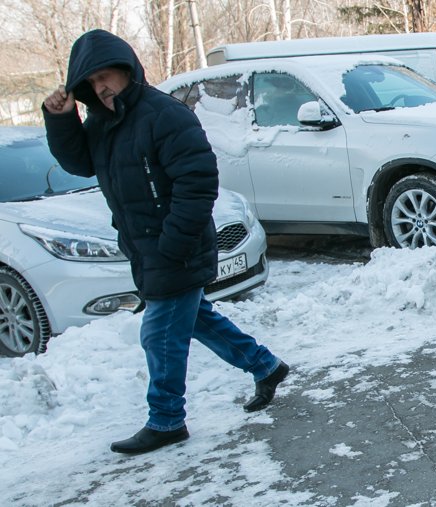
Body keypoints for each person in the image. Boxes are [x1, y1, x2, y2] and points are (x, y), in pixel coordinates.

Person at [42, 29, 290, 454]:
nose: (102, 87)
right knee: (195, 319)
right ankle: (265, 366)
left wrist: (173, 246)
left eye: (108, 77)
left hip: (177, 246)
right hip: (145, 248)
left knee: (158, 334)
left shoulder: (164, 114)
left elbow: (197, 184)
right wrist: (62, 119)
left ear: (127, 72)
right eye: (93, 81)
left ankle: (167, 420)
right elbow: (79, 164)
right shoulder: (103, 124)